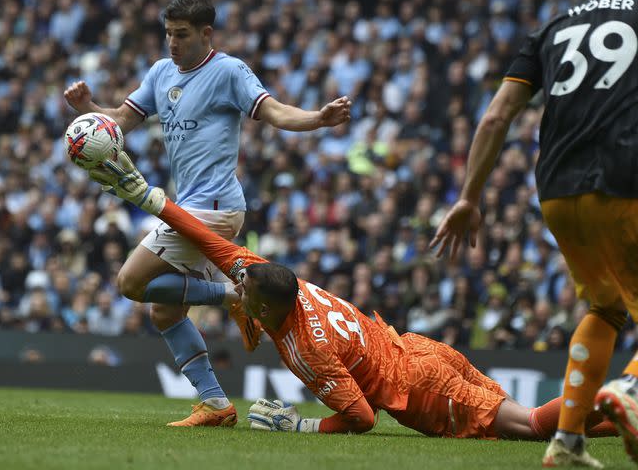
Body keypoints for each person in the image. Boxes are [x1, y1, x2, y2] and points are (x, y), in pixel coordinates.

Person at [84, 150, 617, 443]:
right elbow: (205, 238)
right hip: (420, 349)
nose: (235, 286)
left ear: (265, 308)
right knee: (536, 419)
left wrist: (302, 425)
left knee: (530, 427)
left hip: (422, 390)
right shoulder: (267, 280)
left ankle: (617, 395)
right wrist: (144, 195)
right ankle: (617, 419)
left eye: (239, 289)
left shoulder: (308, 348)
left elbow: (362, 417)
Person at [63, 0, 351, 427]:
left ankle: (235, 296)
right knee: (164, 309)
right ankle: (216, 405)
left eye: (181, 35)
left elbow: (273, 112)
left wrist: (318, 119)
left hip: (214, 207)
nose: (173, 43)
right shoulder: (161, 73)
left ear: (205, 33)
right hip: (192, 206)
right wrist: (87, 108)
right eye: (168, 34)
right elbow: (119, 121)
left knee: (130, 281)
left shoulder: (228, 71)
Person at [430, 0, 638, 466]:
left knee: (606, 307)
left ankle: (567, 442)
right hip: (625, 177)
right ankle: (630, 391)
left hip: (558, 192)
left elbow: (497, 114)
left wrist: (469, 198)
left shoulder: (551, 30)